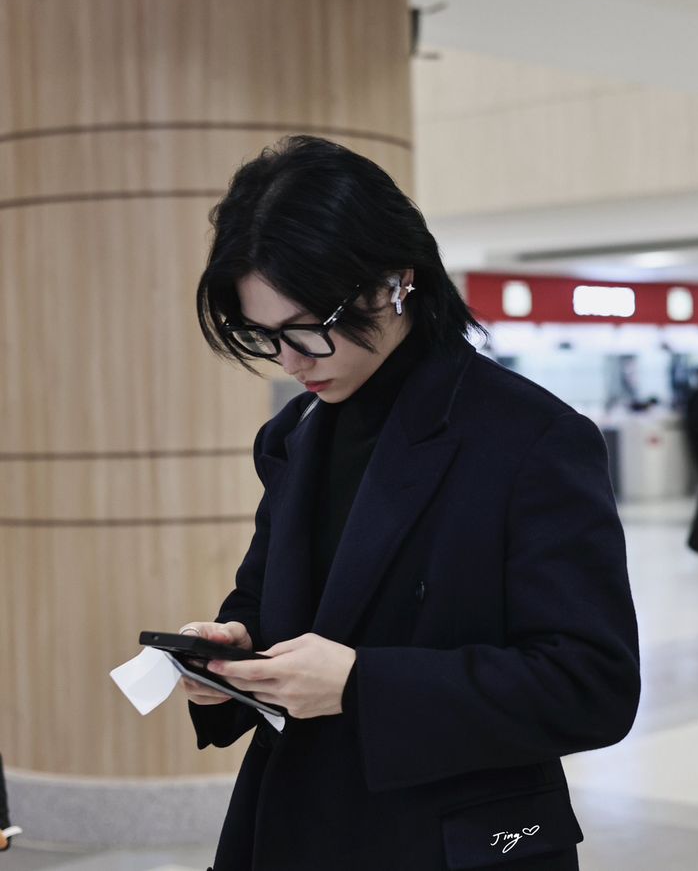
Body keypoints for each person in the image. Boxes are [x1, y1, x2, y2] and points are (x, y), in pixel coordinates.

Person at [179, 135, 641, 871]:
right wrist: (231, 658)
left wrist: (367, 686)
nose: (292, 361)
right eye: (263, 336)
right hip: (291, 824)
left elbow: (592, 685)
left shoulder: (530, 439)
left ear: (396, 282)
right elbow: (268, 597)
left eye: (307, 328)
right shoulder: (293, 436)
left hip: (450, 839)